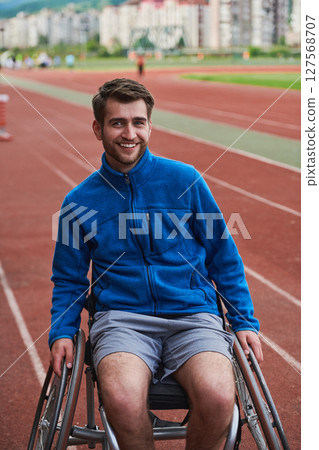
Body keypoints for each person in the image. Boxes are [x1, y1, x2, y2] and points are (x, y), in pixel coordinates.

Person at [50, 78, 263, 449]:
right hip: (122, 321)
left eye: (138, 122)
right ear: (98, 128)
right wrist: (62, 332)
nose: (129, 133)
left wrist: (244, 320)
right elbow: (68, 280)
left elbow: (223, 256)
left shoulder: (186, 180)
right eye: (117, 123)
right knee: (121, 398)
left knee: (217, 396)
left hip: (193, 317)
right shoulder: (77, 202)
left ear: (149, 125)